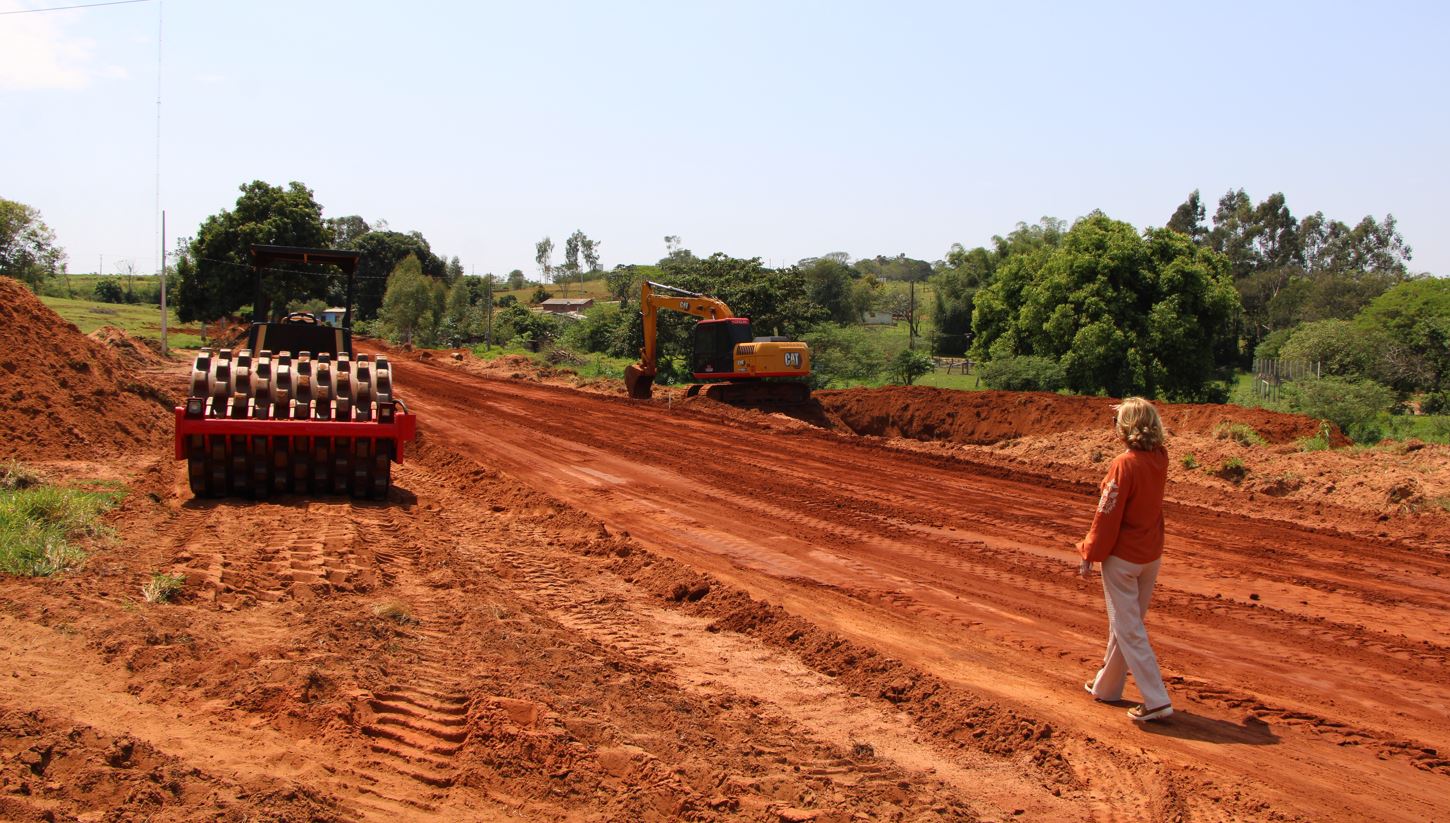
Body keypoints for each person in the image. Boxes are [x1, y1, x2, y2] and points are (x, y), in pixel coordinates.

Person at [1077, 397, 1173, 722]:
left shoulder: (1124, 464)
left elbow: (1107, 514)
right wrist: (1130, 413)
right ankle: (1106, 687)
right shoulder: (1160, 457)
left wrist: (1091, 551)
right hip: (1150, 554)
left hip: (1123, 558)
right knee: (1126, 625)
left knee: (1128, 628)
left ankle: (1157, 700)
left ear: (1126, 427)